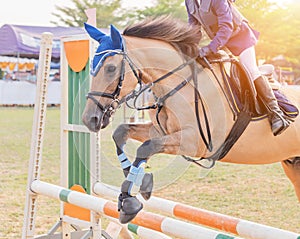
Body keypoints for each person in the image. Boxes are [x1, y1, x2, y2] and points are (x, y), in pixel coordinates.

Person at [185, 0, 290, 136]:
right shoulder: (189, 2)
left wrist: (209, 48)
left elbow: (227, 27)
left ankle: (277, 114)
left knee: (250, 70)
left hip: (240, 39)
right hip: (221, 43)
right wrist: (189, 47)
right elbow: (194, 28)